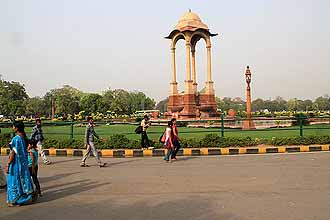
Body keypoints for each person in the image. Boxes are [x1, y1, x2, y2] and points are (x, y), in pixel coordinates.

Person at [6, 121, 35, 207]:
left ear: (17, 128)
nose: (13, 128)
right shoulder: (23, 138)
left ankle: (15, 200)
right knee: (21, 180)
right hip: (23, 164)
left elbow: (13, 153)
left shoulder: (16, 139)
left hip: (16, 164)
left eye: (13, 126)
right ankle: (25, 197)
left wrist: (8, 164)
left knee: (13, 181)